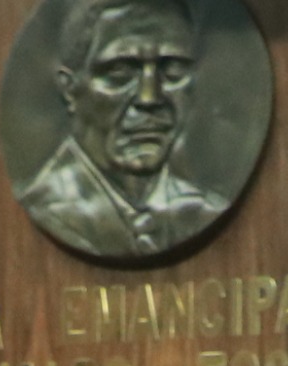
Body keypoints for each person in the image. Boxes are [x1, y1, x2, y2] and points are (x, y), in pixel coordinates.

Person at [14, 0, 235, 261]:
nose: (149, 98)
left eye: (173, 69)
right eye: (120, 72)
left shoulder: (204, 211)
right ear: (69, 89)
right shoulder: (48, 207)